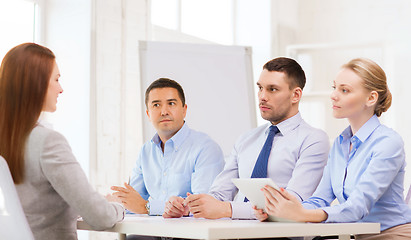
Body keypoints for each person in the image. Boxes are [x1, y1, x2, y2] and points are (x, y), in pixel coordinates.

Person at [255, 58, 411, 239]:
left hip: (393, 234)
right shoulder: (340, 143)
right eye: (334, 87)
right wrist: (280, 211)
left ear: (371, 98)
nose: (334, 95)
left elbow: (358, 207)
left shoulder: (388, 143)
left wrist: (302, 215)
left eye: (344, 90)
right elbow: (320, 199)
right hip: (356, 235)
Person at [164, 57, 329, 220]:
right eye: (260, 88)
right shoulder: (247, 139)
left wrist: (227, 209)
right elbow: (220, 194)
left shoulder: (313, 140)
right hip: (237, 234)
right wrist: (190, 206)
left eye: (272, 89)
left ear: (295, 95)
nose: (262, 96)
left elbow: (290, 205)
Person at [0, 43, 124, 240]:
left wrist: (98, 202)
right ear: (36, 83)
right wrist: (118, 206)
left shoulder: (7, 141)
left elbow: (39, 206)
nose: (61, 89)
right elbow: (100, 217)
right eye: (56, 79)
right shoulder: (47, 141)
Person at [111, 78, 224, 217]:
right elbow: (133, 202)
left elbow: (202, 207)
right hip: (156, 231)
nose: (164, 111)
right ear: (148, 114)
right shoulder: (146, 151)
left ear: (184, 110)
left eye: (171, 103)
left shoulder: (206, 148)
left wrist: (147, 207)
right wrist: (114, 203)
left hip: (191, 234)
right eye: (156, 105)